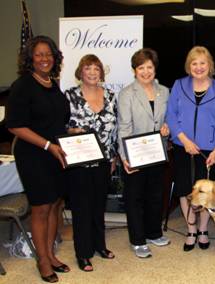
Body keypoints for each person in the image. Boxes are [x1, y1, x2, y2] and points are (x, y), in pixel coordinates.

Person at [6, 35, 70, 283]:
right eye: (39, 54)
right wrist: (47, 145)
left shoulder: (52, 83)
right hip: (34, 154)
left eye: (48, 54)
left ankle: (51, 254)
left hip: (56, 152)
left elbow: (56, 119)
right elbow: (14, 126)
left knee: (55, 203)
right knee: (41, 207)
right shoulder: (22, 85)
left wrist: (69, 134)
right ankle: (42, 260)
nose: (44, 59)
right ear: (30, 58)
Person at [166, 46, 215, 252]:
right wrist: (183, 139)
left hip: (208, 150)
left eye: (202, 63)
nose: (199, 67)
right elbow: (171, 115)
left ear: (209, 65)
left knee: (206, 194)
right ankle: (191, 229)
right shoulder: (178, 85)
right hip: (182, 145)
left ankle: (203, 229)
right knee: (186, 189)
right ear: (189, 66)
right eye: (194, 63)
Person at [65, 54, 117, 271]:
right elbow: (59, 126)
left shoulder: (111, 96)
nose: (93, 72)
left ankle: (99, 245)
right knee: (81, 208)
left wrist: (114, 156)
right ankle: (83, 253)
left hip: (104, 161)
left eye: (96, 68)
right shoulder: (69, 96)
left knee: (98, 205)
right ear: (81, 72)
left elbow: (115, 129)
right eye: (88, 68)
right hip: (79, 163)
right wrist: (71, 131)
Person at [118, 48, 171, 258]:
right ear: (134, 70)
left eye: (149, 67)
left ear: (155, 68)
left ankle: (153, 233)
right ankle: (138, 240)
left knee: (155, 195)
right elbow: (123, 127)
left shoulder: (165, 91)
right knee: (135, 197)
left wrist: (168, 127)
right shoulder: (126, 94)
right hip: (135, 154)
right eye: (141, 67)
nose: (146, 71)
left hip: (157, 152)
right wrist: (125, 157)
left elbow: (170, 118)